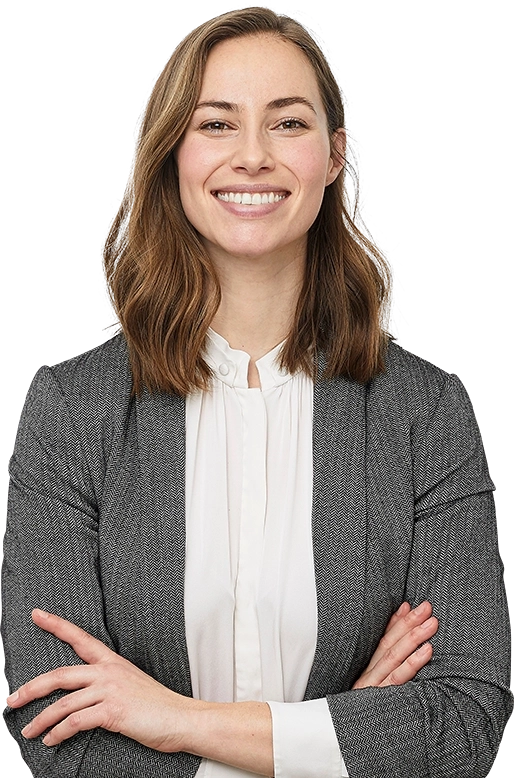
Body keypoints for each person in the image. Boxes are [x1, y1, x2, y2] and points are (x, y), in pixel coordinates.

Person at [1, 7, 510, 778]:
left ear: (334, 155)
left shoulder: (422, 414)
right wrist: (332, 740)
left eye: (288, 123)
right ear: (172, 153)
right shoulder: (73, 413)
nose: (251, 156)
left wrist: (174, 720)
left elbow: (466, 724)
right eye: (216, 124)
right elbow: (57, 734)